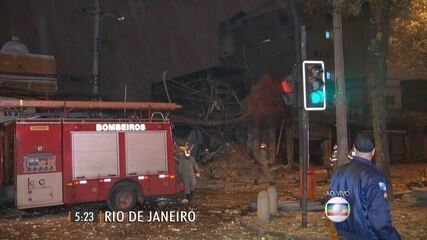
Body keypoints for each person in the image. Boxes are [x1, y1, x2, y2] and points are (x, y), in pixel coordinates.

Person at [329, 134, 400, 240]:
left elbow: (332, 206)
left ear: (354, 149)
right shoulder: (373, 176)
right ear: (373, 151)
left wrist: (341, 230)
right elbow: (378, 216)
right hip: (367, 236)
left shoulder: (338, 173)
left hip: (343, 235)